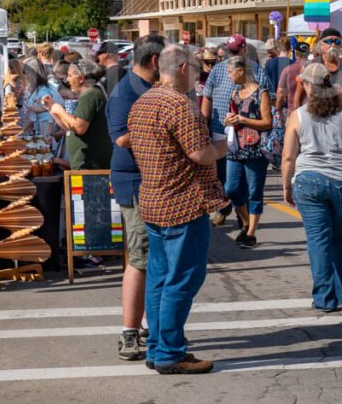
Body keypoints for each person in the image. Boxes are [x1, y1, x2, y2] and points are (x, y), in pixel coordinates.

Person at [128, 45, 230, 375]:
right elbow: (200, 154)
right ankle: (170, 351)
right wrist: (223, 146)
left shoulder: (143, 103)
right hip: (182, 203)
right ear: (183, 68)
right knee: (182, 279)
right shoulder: (178, 106)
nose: (199, 77)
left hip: (154, 200)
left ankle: (159, 347)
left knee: (159, 278)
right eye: (198, 70)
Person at [106, 34, 165, 361]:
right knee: (140, 255)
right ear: (154, 62)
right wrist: (161, 124)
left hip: (157, 181)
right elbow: (120, 139)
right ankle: (129, 332)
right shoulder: (124, 92)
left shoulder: (154, 88)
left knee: (158, 257)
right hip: (135, 182)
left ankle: (147, 324)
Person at [281, 63, 342, 311]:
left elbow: (288, 157)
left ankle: (325, 298)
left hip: (309, 180)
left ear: (306, 85)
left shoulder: (299, 116)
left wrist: (286, 186)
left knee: (318, 240)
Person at [201, 34, 272, 226]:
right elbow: (207, 97)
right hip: (219, 132)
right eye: (228, 51)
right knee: (222, 177)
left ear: (244, 51)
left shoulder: (256, 71)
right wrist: (203, 125)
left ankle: (245, 223)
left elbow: (268, 101)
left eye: (234, 51)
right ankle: (225, 208)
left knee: (244, 183)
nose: (230, 54)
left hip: (248, 137)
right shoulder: (217, 70)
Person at [223, 56, 273, 248]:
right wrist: (229, 120)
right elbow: (232, 116)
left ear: (241, 71)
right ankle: (245, 222)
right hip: (236, 147)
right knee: (231, 189)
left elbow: (267, 122)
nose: (229, 76)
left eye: (230, 72)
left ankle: (251, 233)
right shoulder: (235, 92)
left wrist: (242, 120)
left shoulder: (261, 93)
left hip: (255, 149)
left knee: (254, 191)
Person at [44, 60, 112, 170]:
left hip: (89, 167)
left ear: (81, 79)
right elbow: (69, 127)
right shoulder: (90, 94)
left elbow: (79, 127)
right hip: (86, 165)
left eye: (70, 76)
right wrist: (52, 109)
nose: (68, 79)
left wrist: (60, 110)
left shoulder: (90, 95)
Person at [23, 60, 62, 138]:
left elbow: (52, 105)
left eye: (27, 73)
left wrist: (41, 108)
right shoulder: (39, 88)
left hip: (46, 126)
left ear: (34, 73)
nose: (25, 76)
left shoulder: (43, 90)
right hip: (42, 126)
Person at [276, 39, 309, 114]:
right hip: (309, 113)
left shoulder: (288, 69)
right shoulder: (313, 68)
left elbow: (280, 93)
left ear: (295, 53)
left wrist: (278, 110)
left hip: (292, 112)